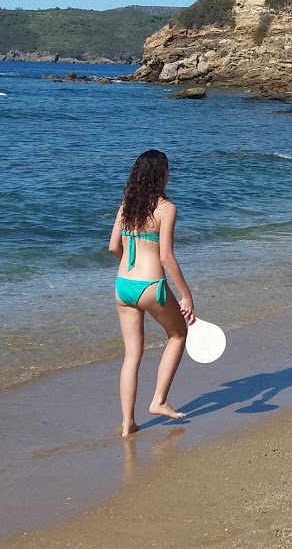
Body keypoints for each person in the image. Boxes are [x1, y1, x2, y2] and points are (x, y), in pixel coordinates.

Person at [108, 149, 196, 437]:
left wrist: (129, 264)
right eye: (168, 169)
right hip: (150, 285)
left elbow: (113, 247)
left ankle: (126, 424)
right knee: (178, 334)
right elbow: (167, 257)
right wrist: (186, 294)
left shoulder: (126, 206)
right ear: (161, 175)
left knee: (131, 355)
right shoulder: (166, 208)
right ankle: (158, 401)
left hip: (123, 285)